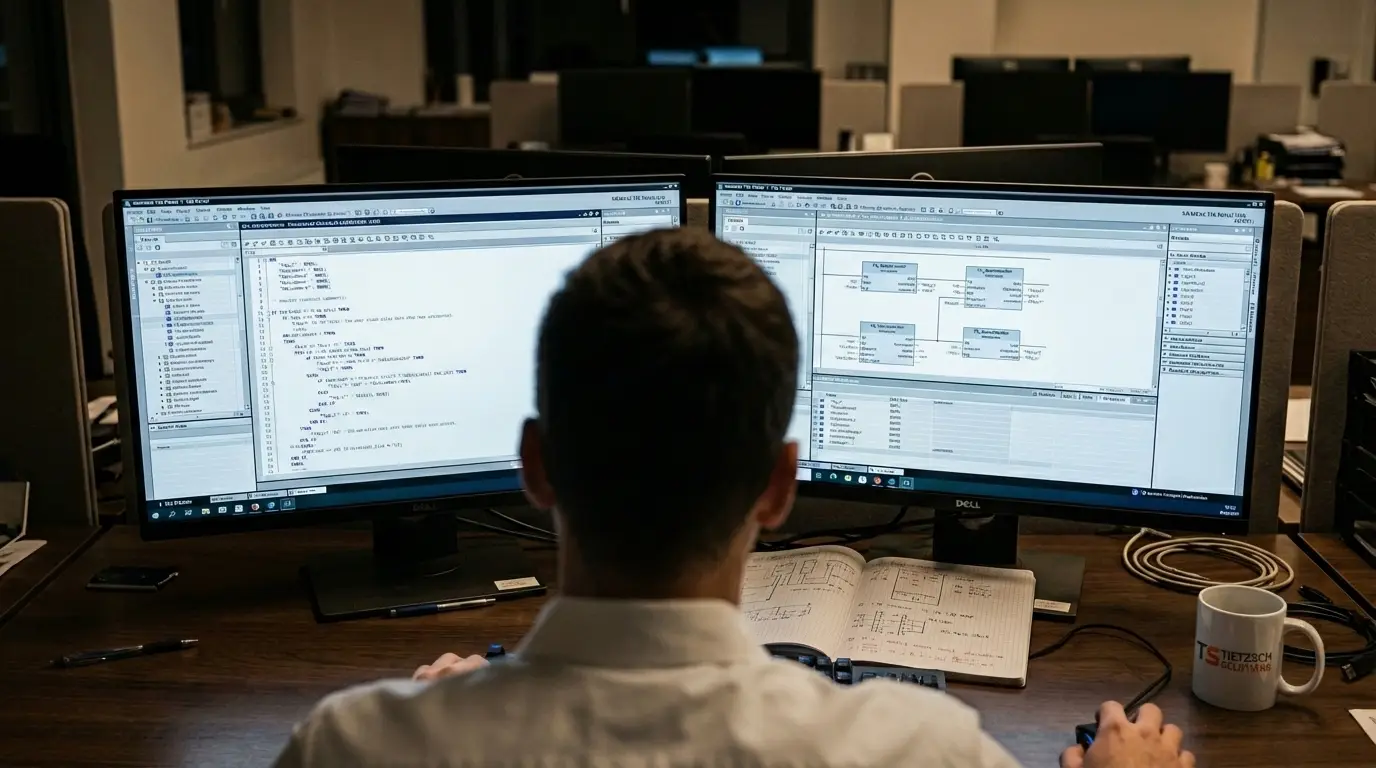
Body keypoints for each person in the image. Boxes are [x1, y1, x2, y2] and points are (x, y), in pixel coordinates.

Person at [274, 229, 1194, 768]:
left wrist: (437, 720)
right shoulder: (923, 749)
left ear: (536, 465)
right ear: (779, 487)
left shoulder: (353, 746)